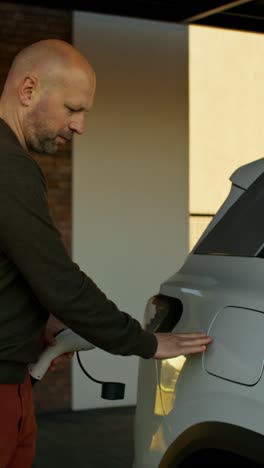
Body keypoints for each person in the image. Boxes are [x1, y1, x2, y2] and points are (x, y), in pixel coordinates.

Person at [0, 39, 212, 467]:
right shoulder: (10, 167)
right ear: (28, 91)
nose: (79, 126)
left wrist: (29, 326)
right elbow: (59, 280)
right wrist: (143, 341)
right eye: (73, 109)